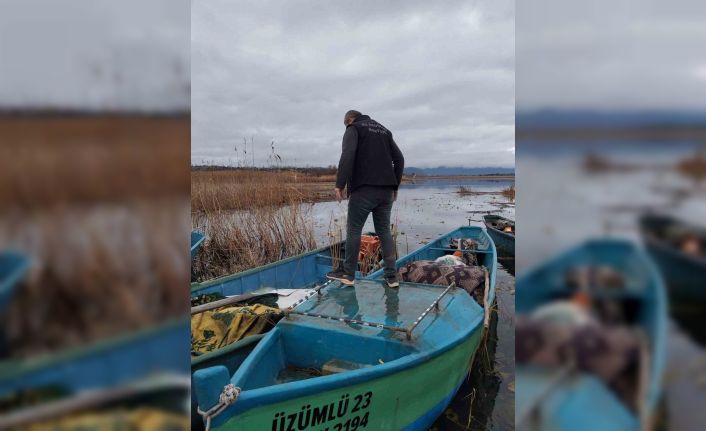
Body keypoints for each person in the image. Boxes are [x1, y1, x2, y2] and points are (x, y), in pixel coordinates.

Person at [326, 110, 404, 287]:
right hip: (386, 192)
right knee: (384, 231)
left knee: (354, 230)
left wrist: (340, 184)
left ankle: (348, 274)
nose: (346, 127)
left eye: (345, 125)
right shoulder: (384, 131)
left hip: (363, 190)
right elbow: (399, 159)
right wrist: (395, 186)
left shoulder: (354, 128)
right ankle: (392, 277)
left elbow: (347, 155)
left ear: (349, 120)